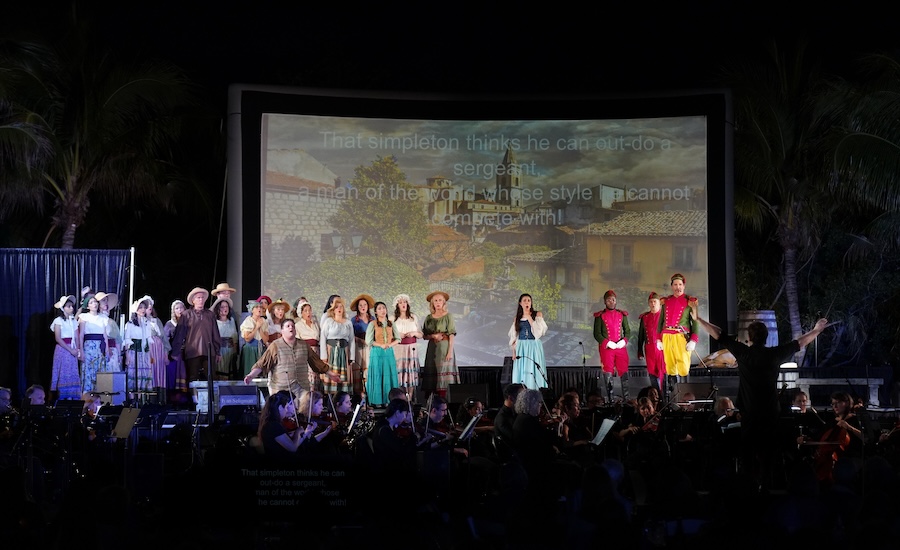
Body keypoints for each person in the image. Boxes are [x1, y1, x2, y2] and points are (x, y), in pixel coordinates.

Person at [692, 305, 827, 490]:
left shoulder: (744, 353)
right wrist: (817, 330)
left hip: (749, 413)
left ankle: (748, 489)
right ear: (766, 337)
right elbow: (799, 343)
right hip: (770, 413)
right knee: (768, 456)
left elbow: (719, 335)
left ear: (749, 338)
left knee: (747, 456)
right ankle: (768, 488)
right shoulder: (774, 354)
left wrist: (699, 319)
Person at [244, 318, 338, 397]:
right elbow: (262, 364)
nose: (291, 327)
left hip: (302, 388)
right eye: (288, 326)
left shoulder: (304, 345)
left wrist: (331, 374)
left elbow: (317, 362)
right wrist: (251, 375)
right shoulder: (275, 346)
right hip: (281, 390)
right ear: (282, 331)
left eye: (293, 326)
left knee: (303, 411)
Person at [171, 288, 221, 406]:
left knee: (211, 376)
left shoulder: (210, 315)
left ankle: (211, 402)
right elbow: (179, 334)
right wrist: (175, 352)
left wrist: (218, 351)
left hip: (209, 351)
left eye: (202, 298)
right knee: (193, 377)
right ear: (193, 300)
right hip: (192, 351)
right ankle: (195, 401)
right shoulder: (186, 315)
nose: (201, 300)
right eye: (198, 298)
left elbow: (215, 333)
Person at [656, 274, 699, 391]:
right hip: (667, 336)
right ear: (672, 286)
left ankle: (686, 392)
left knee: (683, 367)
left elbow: (695, 322)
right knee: (670, 366)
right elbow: (660, 322)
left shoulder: (690, 302)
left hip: (681, 336)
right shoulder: (666, 301)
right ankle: (673, 393)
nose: (678, 287)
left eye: (680, 284)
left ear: (684, 286)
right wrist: (658, 339)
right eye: (675, 284)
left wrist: (693, 340)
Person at [257, 390, 316, 461]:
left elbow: (294, 444)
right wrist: (297, 432)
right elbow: (293, 448)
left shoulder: (272, 423)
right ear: (280, 408)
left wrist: (305, 433)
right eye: (286, 407)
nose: (286, 410)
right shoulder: (273, 425)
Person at [593, 289, 631, 400]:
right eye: (609, 300)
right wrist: (607, 342)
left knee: (624, 370)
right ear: (605, 302)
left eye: (613, 299)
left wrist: (624, 341)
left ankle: (626, 398)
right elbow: (597, 333)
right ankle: (611, 399)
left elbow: (627, 331)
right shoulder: (600, 316)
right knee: (608, 371)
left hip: (620, 347)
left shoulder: (622, 315)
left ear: (616, 301)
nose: (611, 302)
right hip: (607, 348)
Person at [422, 290, 459, 400]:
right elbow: (425, 335)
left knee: (444, 372)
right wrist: (433, 336)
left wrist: (449, 352)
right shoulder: (429, 318)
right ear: (432, 303)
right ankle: (432, 401)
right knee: (432, 372)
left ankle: (444, 400)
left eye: (440, 300)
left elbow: (451, 334)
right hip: (432, 348)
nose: (438, 303)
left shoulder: (448, 316)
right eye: (436, 301)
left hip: (444, 348)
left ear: (444, 302)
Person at [508, 293, 548, 390]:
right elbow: (514, 337)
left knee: (534, 368)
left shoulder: (537, 314)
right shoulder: (517, 318)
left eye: (529, 300)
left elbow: (538, 333)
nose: (527, 302)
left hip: (533, 346)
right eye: (524, 300)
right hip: (521, 346)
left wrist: (529, 317)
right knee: (523, 370)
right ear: (520, 303)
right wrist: (514, 352)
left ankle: (536, 392)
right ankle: (522, 393)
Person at [365, 301, 400, 407]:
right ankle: (377, 401)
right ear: (375, 312)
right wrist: (380, 345)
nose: (382, 310)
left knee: (388, 375)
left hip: (388, 353)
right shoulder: (372, 324)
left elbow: (398, 339)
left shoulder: (391, 323)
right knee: (378, 375)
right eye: (379, 308)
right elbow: (369, 340)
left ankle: (388, 400)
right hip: (377, 353)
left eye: (384, 308)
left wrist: (389, 345)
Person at [122, 298, 158, 397]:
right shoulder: (130, 324)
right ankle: (132, 398)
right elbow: (127, 340)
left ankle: (142, 398)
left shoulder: (146, 323)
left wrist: (151, 355)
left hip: (144, 353)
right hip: (134, 352)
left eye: (144, 308)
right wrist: (127, 356)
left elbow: (148, 340)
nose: (142, 310)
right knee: (134, 373)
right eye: (140, 307)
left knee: (144, 373)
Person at [319, 297, 355, 394]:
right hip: (331, 351)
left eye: (341, 307)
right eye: (336, 307)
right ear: (333, 309)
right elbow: (323, 338)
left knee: (344, 375)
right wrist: (324, 356)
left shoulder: (348, 323)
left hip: (344, 352)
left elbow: (352, 340)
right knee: (332, 372)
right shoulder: (329, 321)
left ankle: (343, 396)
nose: (339, 309)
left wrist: (351, 357)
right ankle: (331, 396)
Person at [49, 294, 82, 401]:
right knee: (63, 371)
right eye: (68, 306)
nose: (71, 308)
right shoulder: (58, 321)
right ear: (63, 308)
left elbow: (76, 337)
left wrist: (77, 349)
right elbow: (58, 338)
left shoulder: (73, 321)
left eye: (72, 306)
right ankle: (62, 396)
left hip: (72, 349)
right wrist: (70, 350)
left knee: (72, 371)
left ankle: (72, 397)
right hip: (63, 349)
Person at [391, 293, 422, 402]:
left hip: (411, 349)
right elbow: (388, 335)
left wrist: (414, 333)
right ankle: (400, 398)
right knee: (400, 372)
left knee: (411, 373)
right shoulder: (393, 318)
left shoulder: (413, 317)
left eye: (405, 302)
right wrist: (397, 334)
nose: (403, 304)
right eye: (400, 303)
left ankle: (410, 399)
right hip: (399, 348)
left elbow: (420, 334)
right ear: (397, 305)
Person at [77, 295, 108, 394]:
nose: (94, 304)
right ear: (87, 306)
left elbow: (105, 335)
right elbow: (81, 335)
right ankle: (87, 395)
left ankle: (100, 396)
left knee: (100, 370)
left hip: (100, 346)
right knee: (89, 370)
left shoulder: (103, 317)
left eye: (95, 302)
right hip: (89, 346)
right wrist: (81, 350)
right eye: (91, 302)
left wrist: (107, 348)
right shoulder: (84, 317)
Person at [637, 292, 666, 393]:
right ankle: (656, 396)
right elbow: (641, 335)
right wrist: (640, 351)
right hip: (649, 350)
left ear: (659, 303)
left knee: (664, 373)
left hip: (662, 349)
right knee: (652, 374)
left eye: (655, 301)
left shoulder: (665, 316)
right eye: (651, 302)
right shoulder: (645, 317)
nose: (653, 304)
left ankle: (666, 397)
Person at [141, 297, 170, 391]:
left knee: (159, 371)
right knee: (149, 369)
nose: (149, 306)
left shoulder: (156, 321)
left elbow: (164, 338)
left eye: (150, 304)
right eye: (147, 304)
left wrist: (166, 354)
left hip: (158, 350)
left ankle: (159, 395)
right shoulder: (139, 321)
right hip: (148, 349)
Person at [164, 300, 188, 404]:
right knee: (173, 379)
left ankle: (184, 401)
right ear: (173, 311)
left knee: (185, 377)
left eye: (181, 308)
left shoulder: (188, 322)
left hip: (185, 355)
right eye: (177, 308)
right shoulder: (170, 324)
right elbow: (165, 340)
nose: (179, 310)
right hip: (173, 357)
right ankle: (173, 401)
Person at [349, 293, 374, 395]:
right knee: (358, 371)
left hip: (370, 347)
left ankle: (370, 395)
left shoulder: (373, 319)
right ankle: (359, 396)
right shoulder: (354, 320)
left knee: (369, 370)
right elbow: (350, 335)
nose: (363, 307)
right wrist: (360, 340)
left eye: (365, 305)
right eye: (360, 305)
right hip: (358, 348)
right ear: (357, 307)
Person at [210, 295, 239, 379]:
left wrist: (235, 350)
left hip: (230, 350)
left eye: (226, 307)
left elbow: (235, 336)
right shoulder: (215, 322)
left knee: (231, 372)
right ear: (218, 309)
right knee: (221, 372)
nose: (225, 309)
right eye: (222, 307)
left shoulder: (231, 320)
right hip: (220, 350)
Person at [239, 300, 269, 377]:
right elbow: (247, 338)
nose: (259, 309)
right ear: (252, 310)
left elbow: (265, 340)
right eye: (256, 307)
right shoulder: (248, 321)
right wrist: (256, 327)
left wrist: (260, 328)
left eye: (260, 307)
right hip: (250, 350)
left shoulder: (264, 321)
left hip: (261, 349)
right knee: (251, 371)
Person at [95, 291, 122, 373]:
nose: (106, 302)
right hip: (100, 350)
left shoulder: (111, 322)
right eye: (103, 300)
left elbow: (117, 339)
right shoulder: (95, 320)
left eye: (106, 300)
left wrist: (119, 355)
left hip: (113, 352)